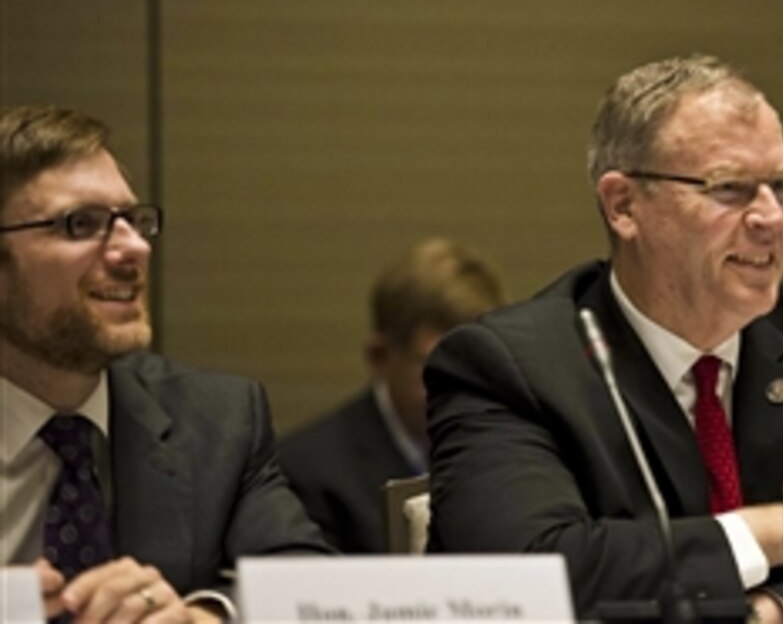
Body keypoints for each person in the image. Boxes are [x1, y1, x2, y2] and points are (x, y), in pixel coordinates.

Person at [424, 55, 783, 621]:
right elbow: (527, 579)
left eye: (782, 187)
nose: (772, 218)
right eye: (730, 188)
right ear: (623, 206)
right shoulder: (511, 368)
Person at [0, 106, 331, 623]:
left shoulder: (217, 421)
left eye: (133, 221)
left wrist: (205, 619)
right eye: (81, 224)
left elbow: (314, 597)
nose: (133, 248)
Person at [279, 238, 503, 552]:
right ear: (379, 357)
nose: (463, 389)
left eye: (476, 365)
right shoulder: (309, 474)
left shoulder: (513, 452)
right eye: (437, 368)